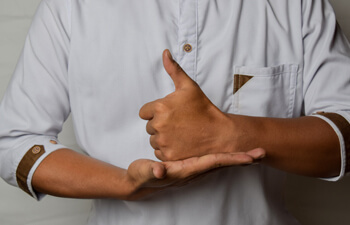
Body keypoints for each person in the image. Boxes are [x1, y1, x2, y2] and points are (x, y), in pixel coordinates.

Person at [0, 0, 349, 224]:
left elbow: (344, 126)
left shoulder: (298, 5)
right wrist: (125, 184)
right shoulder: (72, 6)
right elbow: (15, 141)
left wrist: (229, 133)